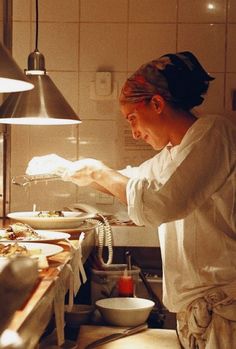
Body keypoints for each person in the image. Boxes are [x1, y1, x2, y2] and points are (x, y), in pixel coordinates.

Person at [26, 51, 236, 349]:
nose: (135, 133)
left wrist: (97, 169)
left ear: (157, 103)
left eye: (133, 119)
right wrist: (69, 169)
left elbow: (158, 202)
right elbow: (134, 180)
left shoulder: (215, 133)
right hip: (199, 315)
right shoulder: (173, 154)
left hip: (227, 313)